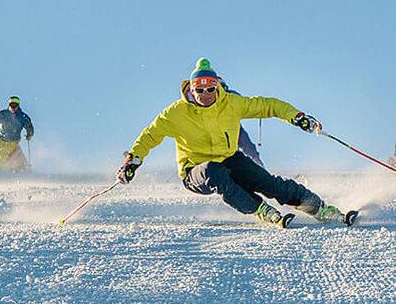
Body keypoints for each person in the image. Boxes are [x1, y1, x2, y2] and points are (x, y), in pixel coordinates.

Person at [115, 58, 350, 227]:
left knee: (267, 181)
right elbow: (150, 135)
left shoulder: (231, 103)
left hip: (230, 158)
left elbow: (268, 105)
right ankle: (260, 209)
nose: (205, 94)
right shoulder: (176, 113)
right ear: (191, 90)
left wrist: (297, 117)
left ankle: (319, 208)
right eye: (200, 90)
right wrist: (131, 162)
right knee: (213, 171)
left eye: (210, 88)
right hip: (194, 171)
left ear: (216, 86)